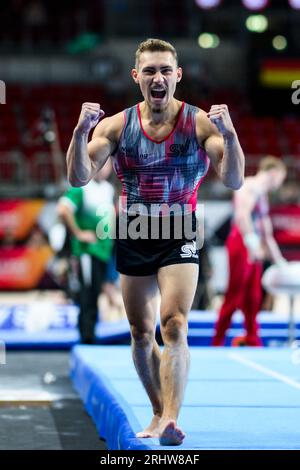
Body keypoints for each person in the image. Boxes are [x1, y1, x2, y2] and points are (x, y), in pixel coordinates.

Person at [66, 38, 245, 446]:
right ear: (137, 77)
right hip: (133, 229)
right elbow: (79, 177)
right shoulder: (116, 125)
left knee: (174, 324)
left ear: (177, 76)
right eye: (149, 71)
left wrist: (231, 138)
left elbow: (233, 179)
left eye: (165, 70)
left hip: (178, 228)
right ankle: (157, 409)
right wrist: (79, 133)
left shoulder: (198, 122)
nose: (158, 77)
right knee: (141, 332)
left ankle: (171, 420)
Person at [212, 156, 287, 347]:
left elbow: (267, 233)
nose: (280, 184)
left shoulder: (262, 195)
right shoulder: (249, 186)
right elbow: (241, 215)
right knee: (234, 294)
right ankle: (218, 340)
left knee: (253, 296)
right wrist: (251, 242)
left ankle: (253, 338)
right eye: (281, 179)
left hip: (253, 246)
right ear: (273, 173)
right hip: (241, 242)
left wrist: (279, 261)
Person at [57, 160, 115, 344]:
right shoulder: (82, 188)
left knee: (96, 291)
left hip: (104, 251)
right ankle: (86, 335)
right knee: (87, 293)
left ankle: (91, 332)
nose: (103, 169)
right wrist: (78, 233)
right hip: (87, 251)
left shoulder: (108, 189)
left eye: (107, 165)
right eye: (100, 164)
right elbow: (63, 209)